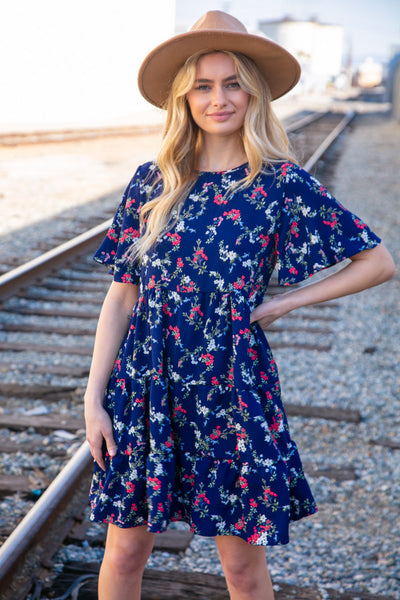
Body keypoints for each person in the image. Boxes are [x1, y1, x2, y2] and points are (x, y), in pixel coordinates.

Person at [84, 11, 395, 600]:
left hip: (231, 389)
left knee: (242, 570)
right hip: (146, 385)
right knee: (123, 556)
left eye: (232, 84)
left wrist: (283, 305)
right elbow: (122, 292)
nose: (218, 98)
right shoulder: (153, 181)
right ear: (185, 98)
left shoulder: (279, 184)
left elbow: (377, 262)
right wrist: (93, 397)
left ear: (252, 92)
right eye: (203, 86)